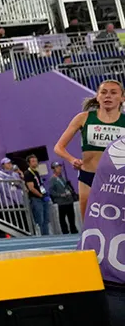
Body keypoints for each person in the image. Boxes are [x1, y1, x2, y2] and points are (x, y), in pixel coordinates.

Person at [54, 79, 125, 221]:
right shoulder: (84, 118)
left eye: (113, 93)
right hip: (88, 177)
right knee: (89, 223)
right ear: (97, 96)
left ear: (122, 98)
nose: (108, 96)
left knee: (118, 225)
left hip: (117, 180)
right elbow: (59, 147)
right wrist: (72, 160)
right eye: (103, 92)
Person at [23, 155, 50, 235]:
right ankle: (41, 236)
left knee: (46, 218)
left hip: (42, 197)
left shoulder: (37, 172)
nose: (35, 163)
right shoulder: (28, 173)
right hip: (36, 199)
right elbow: (31, 188)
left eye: (36, 161)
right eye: (33, 161)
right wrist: (40, 195)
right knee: (40, 219)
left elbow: (40, 185)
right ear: (29, 163)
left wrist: (44, 194)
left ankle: (46, 235)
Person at [48, 162, 78, 234]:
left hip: (69, 200)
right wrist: (60, 195)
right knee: (62, 218)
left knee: (71, 217)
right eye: (57, 167)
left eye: (59, 167)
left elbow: (67, 186)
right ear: (53, 169)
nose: (59, 168)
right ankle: (65, 231)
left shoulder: (62, 177)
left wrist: (70, 192)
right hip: (61, 202)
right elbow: (51, 191)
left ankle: (73, 229)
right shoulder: (52, 179)